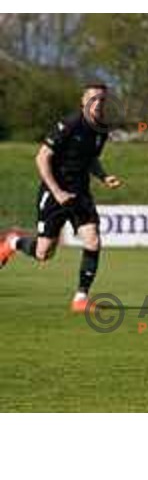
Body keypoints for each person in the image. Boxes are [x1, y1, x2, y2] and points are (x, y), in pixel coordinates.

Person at [0, 83, 123, 312]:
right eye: (93, 99)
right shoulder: (70, 124)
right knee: (43, 253)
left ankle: (80, 299)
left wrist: (103, 176)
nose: (98, 104)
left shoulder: (101, 130)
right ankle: (12, 242)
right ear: (83, 101)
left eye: (102, 100)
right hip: (54, 192)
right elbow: (42, 157)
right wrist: (57, 191)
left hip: (80, 194)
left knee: (93, 240)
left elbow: (90, 159)